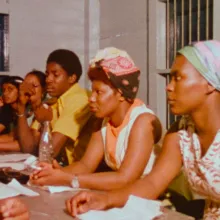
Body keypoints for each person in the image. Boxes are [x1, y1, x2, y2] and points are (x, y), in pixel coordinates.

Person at [65, 40, 220, 220]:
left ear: (209, 83)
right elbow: (152, 184)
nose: (168, 87)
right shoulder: (181, 131)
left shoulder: (143, 121)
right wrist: (105, 199)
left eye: (178, 78)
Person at [30, 47, 162, 191]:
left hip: (154, 199)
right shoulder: (103, 121)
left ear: (121, 94)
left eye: (98, 92)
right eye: (92, 91)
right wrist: (54, 173)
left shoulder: (143, 121)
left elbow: (125, 179)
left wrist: (69, 179)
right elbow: (85, 165)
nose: (91, 98)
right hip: (124, 193)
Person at [17, 49, 92, 165]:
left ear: (72, 78)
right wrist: (21, 107)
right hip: (62, 167)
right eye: (47, 74)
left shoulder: (79, 99)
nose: (48, 80)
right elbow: (28, 148)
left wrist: (46, 122)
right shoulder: (52, 102)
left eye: (55, 75)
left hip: (79, 171)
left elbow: (50, 152)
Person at [0, 76, 23, 151]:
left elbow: (23, 143)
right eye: (4, 90)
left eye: (10, 89)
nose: (5, 93)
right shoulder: (7, 110)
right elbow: (11, 136)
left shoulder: (28, 111)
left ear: (20, 91)